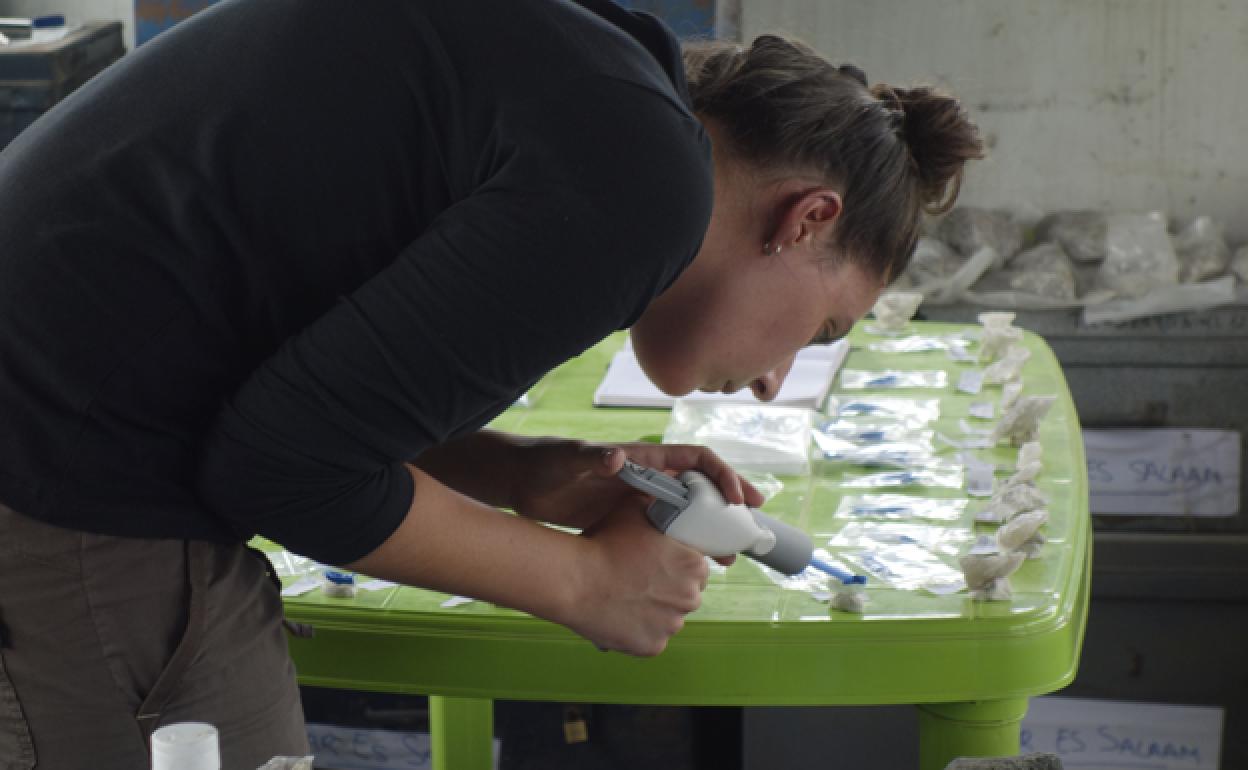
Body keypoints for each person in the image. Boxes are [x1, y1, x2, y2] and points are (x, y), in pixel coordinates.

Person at [0, 0, 983, 766]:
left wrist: (520, 474)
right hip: (65, 466)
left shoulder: (597, 80)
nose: (773, 383)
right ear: (807, 218)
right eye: (820, 328)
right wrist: (586, 583)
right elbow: (281, 465)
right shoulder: (645, 182)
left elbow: (294, 369)